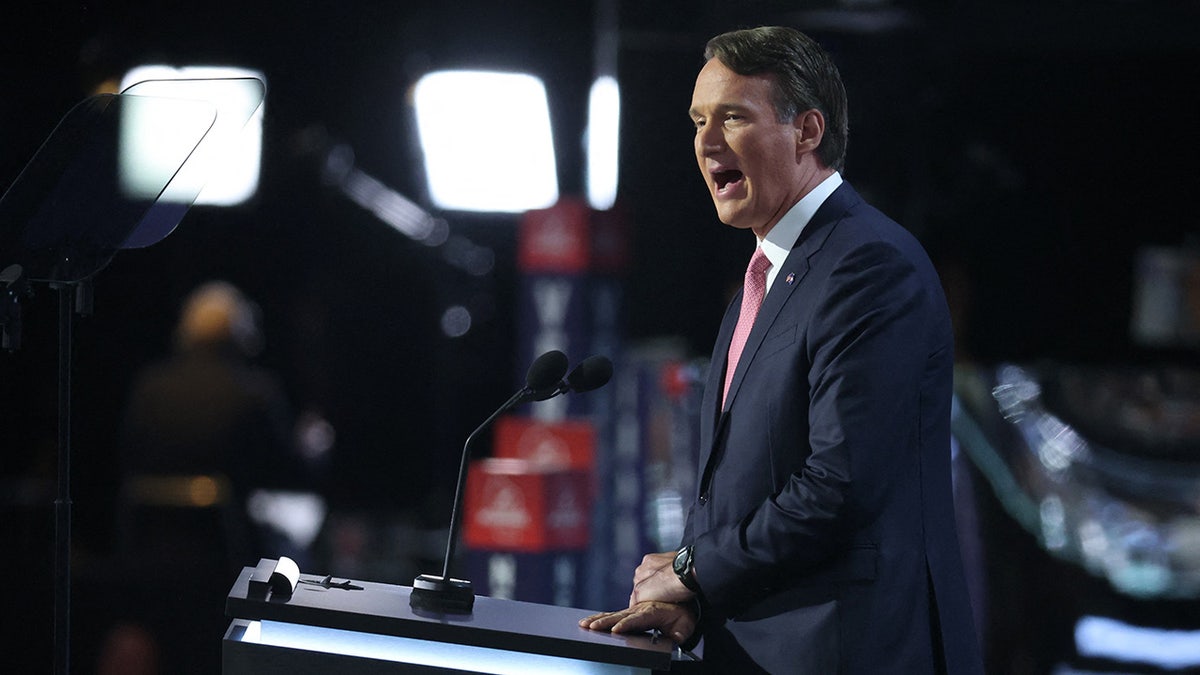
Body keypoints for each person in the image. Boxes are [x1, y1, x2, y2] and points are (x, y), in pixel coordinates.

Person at [580, 26, 984, 673]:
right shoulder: (766, 274)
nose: (706, 142)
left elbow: (837, 488)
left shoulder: (868, 266)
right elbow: (740, 488)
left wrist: (690, 568)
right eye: (698, 120)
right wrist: (697, 601)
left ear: (807, 132)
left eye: (733, 117)